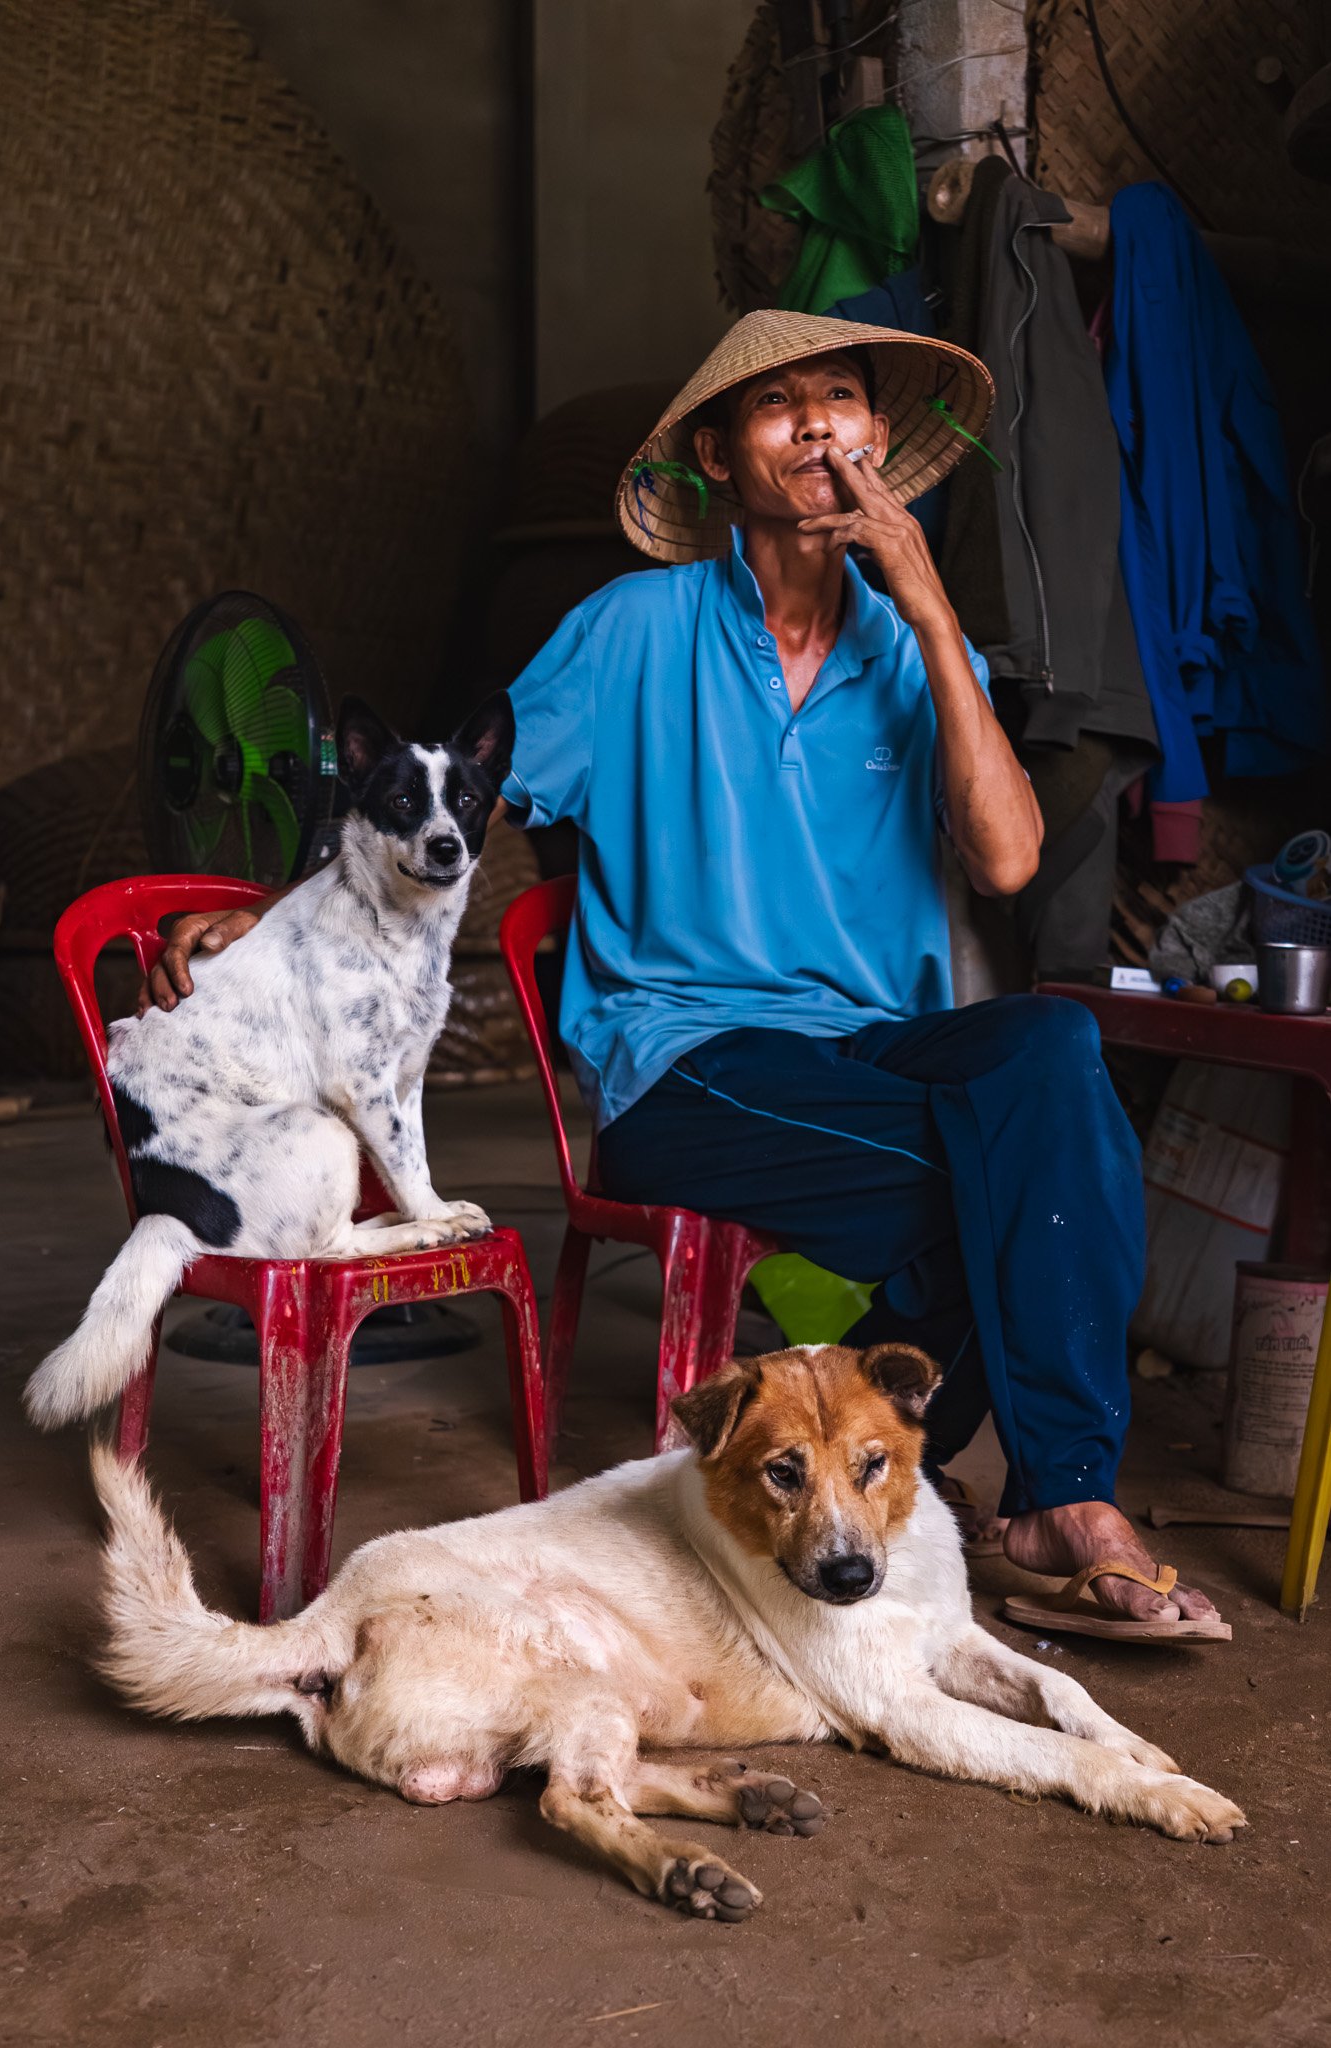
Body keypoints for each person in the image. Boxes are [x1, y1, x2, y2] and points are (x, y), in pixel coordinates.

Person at [145, 310, 1220, 1636]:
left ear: (881, 438)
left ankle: (1016, 1484)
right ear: (715, 455)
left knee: (1051, 1058)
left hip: (872, 1051)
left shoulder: (903, 651)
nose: (821, 425)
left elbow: (1005, 860)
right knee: (1022, 1173)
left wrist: (930, 608)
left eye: (844, 397)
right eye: (781, 407)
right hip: (689, 1068)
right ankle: (1010, 1492)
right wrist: (274, 910)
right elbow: (449, 806)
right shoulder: (632, 629)